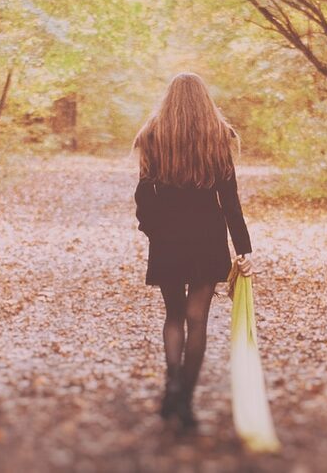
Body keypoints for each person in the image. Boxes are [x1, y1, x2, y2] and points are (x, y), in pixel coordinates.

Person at [132, 72, 254, 431]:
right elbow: (230, 201)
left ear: (169, 99)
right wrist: (243, 249)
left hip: (167, 239)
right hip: (207, 238)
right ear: (204, 99)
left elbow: (143, 195)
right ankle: (184, 399)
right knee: (197, 318)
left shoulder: (153, 134)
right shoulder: (218, 136)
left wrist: (152, 230)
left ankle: (172, 386)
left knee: (174, 315)